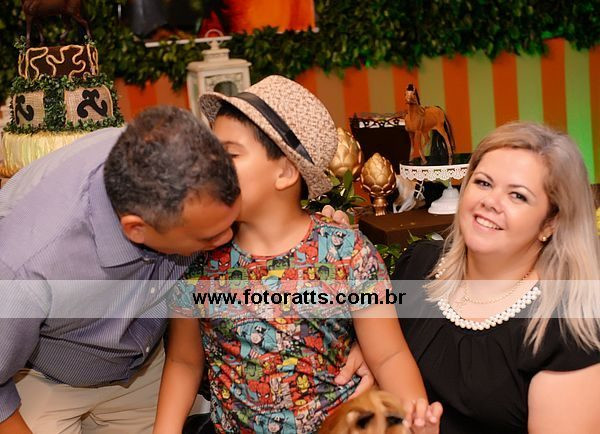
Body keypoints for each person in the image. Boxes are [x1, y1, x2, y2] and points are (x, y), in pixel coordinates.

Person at [0, 106, 369, 434]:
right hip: (44, 378)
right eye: (209, 237)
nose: (228, 239)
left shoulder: (181, 162)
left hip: (145, 369)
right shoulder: (25, 269)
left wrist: (358, 329)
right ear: (138, 230)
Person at [154, 76, 434, 434]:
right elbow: (184, 362)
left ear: (285, 172)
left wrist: (414, 422)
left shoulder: (347, 253)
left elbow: (389, 355)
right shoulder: (199, 258)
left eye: (229, 155)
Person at [394, 122, 600, 433]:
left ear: (552, 222)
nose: (490, 201)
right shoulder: (418, 265)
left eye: (518, 196)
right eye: (483, 183)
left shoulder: (565, 330)